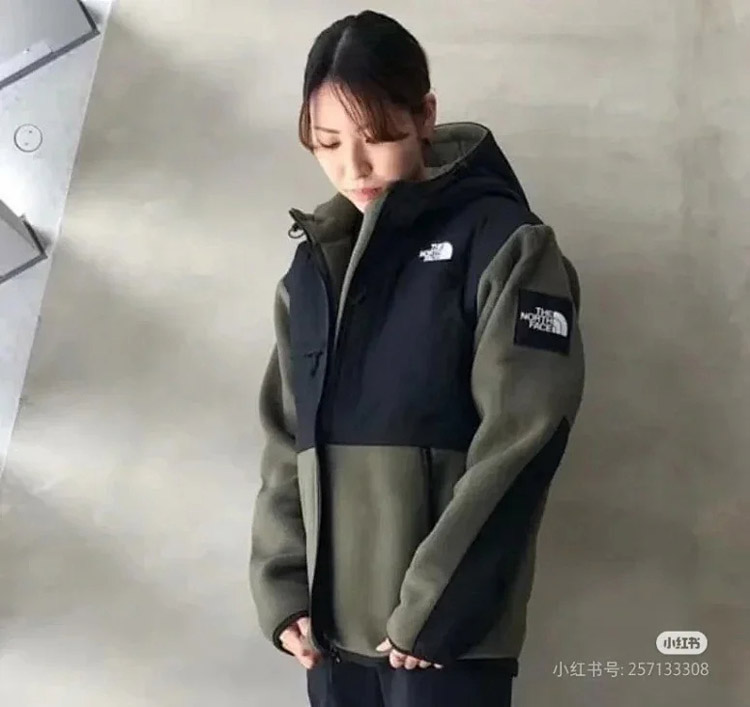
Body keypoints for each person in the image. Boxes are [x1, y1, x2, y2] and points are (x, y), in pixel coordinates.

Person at [249, 10, 585, 707]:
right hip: (329, 643)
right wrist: (283, 590)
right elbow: (287, 441)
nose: (353, 167)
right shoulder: (311, 270)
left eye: (376, 137)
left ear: (425, 115)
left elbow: (523, 439)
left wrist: (435, 611)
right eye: (328, 143)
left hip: (442, 647)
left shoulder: (508, 246)